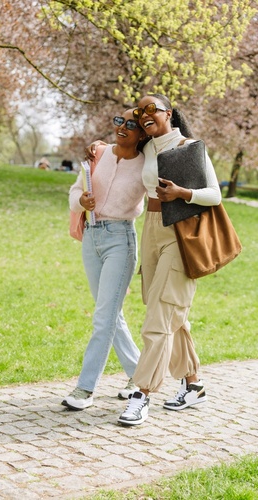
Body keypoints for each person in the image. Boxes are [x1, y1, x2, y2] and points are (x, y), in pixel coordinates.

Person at [87, 94, 221, 426]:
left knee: (160, 314)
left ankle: (142, 394)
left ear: (168, 114)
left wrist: (183, 194)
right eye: (139, 112)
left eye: (151, 109)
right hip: (150, 229)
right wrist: (99, 145)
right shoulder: (147, 148)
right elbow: (122, 147)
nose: (145, 115)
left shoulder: (191, 147)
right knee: (167, 308)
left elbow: (215, 194)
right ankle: (193, 384)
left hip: (180, 231)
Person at [62, 109, 147, 411]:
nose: (123, 127)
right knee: (110, 314)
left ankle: (86, 388)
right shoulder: (99, 153)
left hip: (121, 242)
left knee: (103, 317)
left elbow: (155, 205)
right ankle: (139, 375)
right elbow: (75, 190)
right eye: (118, 121)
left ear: (142, 133)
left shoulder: (147, 164)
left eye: (132, 124)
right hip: (92, 238)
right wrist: (81, 200)